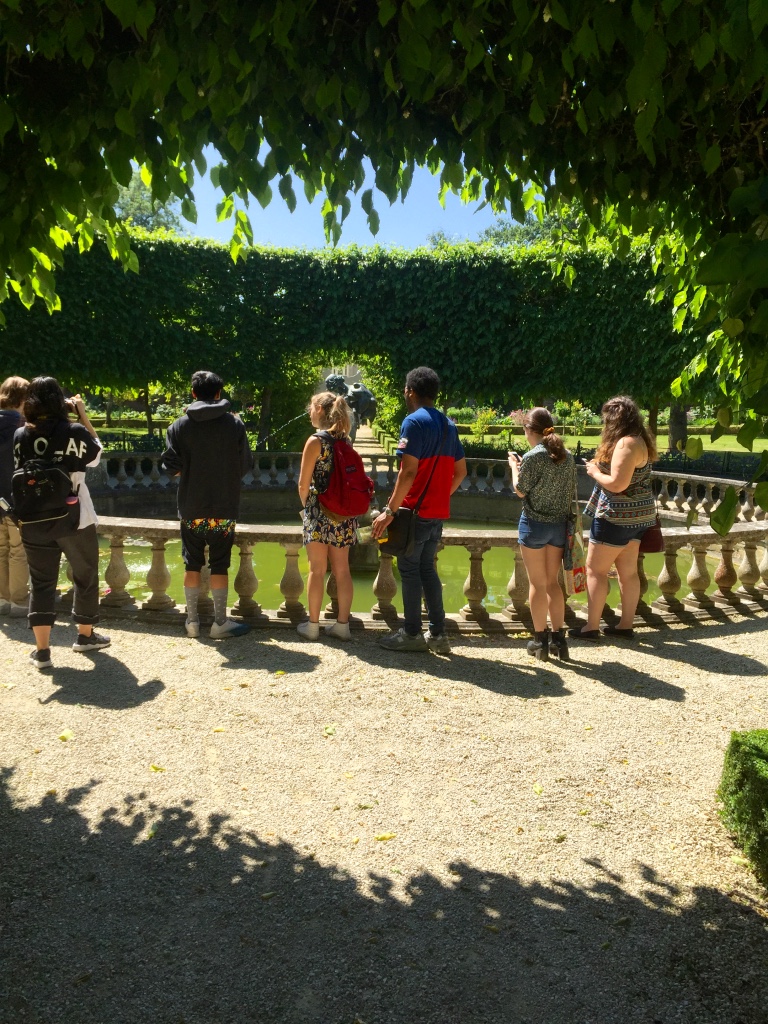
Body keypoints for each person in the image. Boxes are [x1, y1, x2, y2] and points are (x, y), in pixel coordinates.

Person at [13, 377, 108, 670]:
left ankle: (42, 652)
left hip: (33, 520)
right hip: (73, 517)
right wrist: (81, 413)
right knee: (85, 575)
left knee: (41, 583)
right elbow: (97, 455)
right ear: (59, 401)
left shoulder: (20, 435)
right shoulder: (75, 431)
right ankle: (85, 636)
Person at [371, 366, 466, 653]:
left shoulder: (413, 422)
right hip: (436, 513)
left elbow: (408, 472)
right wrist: (439, 496)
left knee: (410, 571)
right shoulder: (449, 425)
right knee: (428, 571)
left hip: (415, 513)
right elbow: (461, 472)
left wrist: (389, 510)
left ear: (410, 391)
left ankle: (412, 633)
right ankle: (438, 635)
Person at [162, 370, 253, 640]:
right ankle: (220, 623)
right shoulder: (234, 425)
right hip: (223, 508)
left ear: (193, 394)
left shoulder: (178, 426)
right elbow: (245, 465)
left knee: (192, 564)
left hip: (191, 508)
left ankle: (192, 623)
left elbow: (171, 468)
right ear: (218, 393)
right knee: (219, 564)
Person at [569, 395, 657, 641]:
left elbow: (617, 485)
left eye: (607, 419)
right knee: (627, 573)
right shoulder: (640, 440)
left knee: (595, 571)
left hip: (616, 516)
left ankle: (591, 627)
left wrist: (595, 472)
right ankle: (625, 625)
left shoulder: (626, 444)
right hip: (638, 517)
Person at [508, 407, 576, 661]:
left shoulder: (533, 456)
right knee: (552, 584)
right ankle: (559, 640)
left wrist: (514, 466)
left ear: (529, 430)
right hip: (558, 528)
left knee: (537, 584)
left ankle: (539, 641)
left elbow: (520, 490)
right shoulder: (565, 455)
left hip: (534, 525)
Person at [296, 391, 358, 641]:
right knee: (342, 570)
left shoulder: (315, 441)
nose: (309, 412)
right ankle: (342, 625)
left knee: (317, 570)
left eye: (311, 407)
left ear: (320, 409)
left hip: (318, 513)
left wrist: (309, 511)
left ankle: (312, 626)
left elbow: (302, 484)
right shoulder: (346, 440)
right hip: (343, 514)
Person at [0, 376, 29, 617]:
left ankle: (2, 599)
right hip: (15, 498)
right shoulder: (21, 426)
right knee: (18, 550)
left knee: (0, 549)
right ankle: (19, 602)